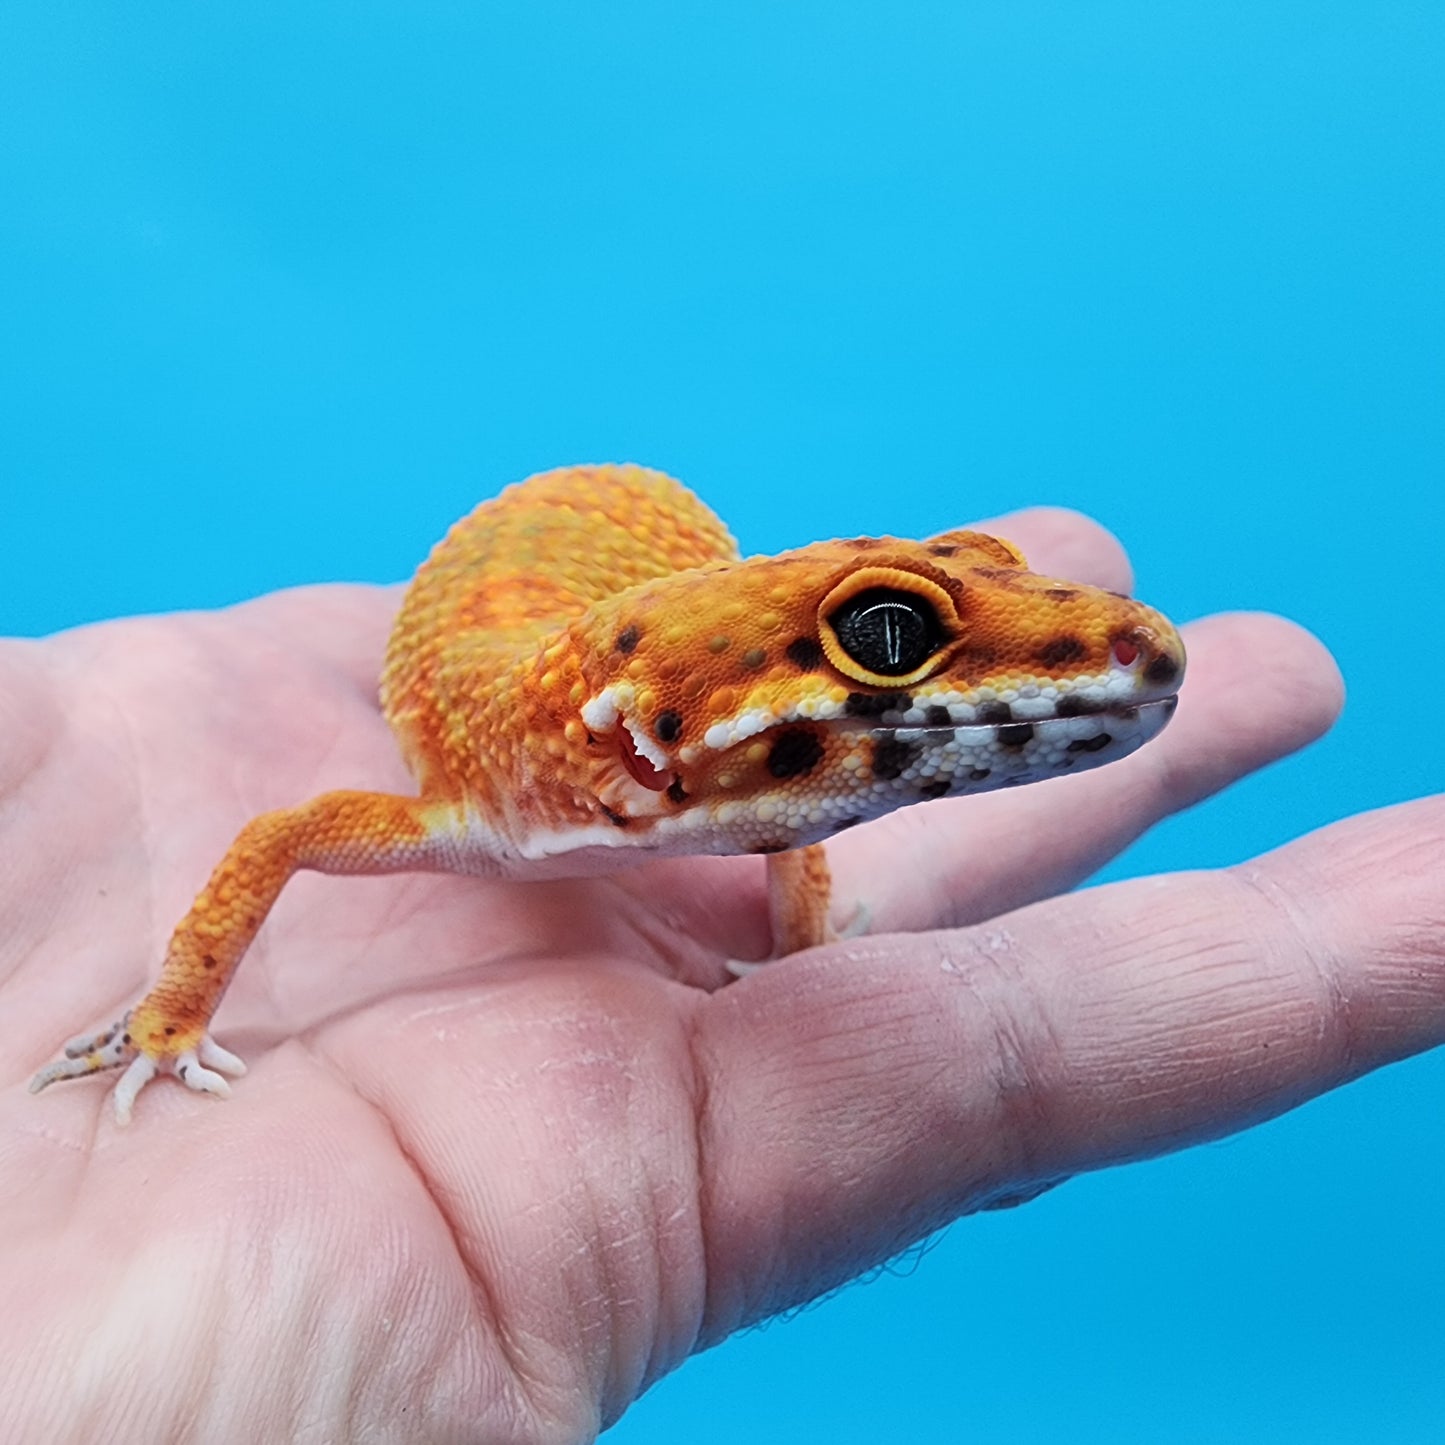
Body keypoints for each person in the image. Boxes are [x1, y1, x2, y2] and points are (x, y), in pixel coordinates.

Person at [2, 507, 1438, 1443]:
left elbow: (786, 805)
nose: (1091, 648)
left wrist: (802, 920)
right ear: (638, 735)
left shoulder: (724, 762)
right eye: (892, 640)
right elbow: (286, 835)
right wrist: (169, 1012)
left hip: (641, 556)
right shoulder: (479, 808)